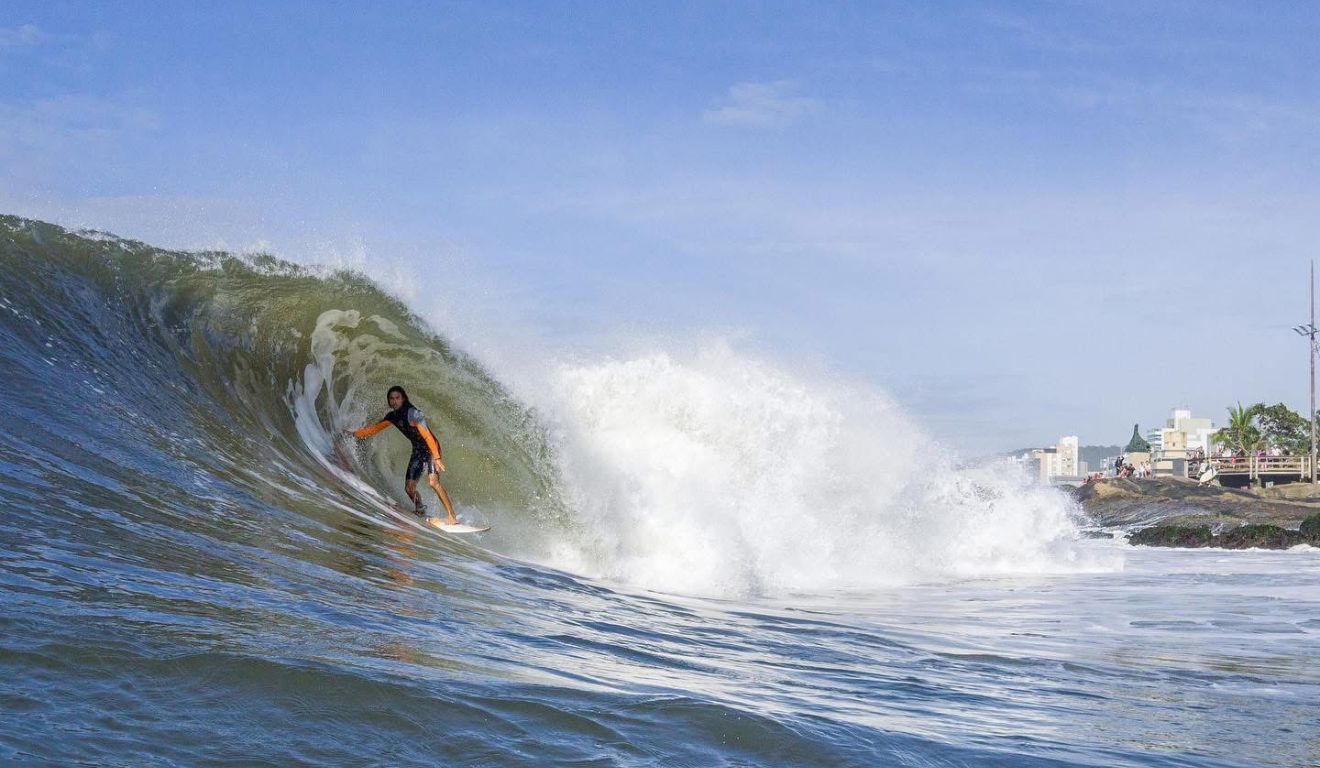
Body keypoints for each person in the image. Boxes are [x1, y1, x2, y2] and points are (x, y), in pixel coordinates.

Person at [345, 386, 458, 526]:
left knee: (433, 482)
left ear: (403, 398)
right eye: (391, 398)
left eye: (397, 398)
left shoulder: (413, 414)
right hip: (418, 451)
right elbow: (373, 429)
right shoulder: (392, 417)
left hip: (431, 449)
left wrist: (436, 457)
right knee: (409, 489)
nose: (394, 401)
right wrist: (353, 434)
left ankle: (452, 517)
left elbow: (428, 436)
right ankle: (420, 508)